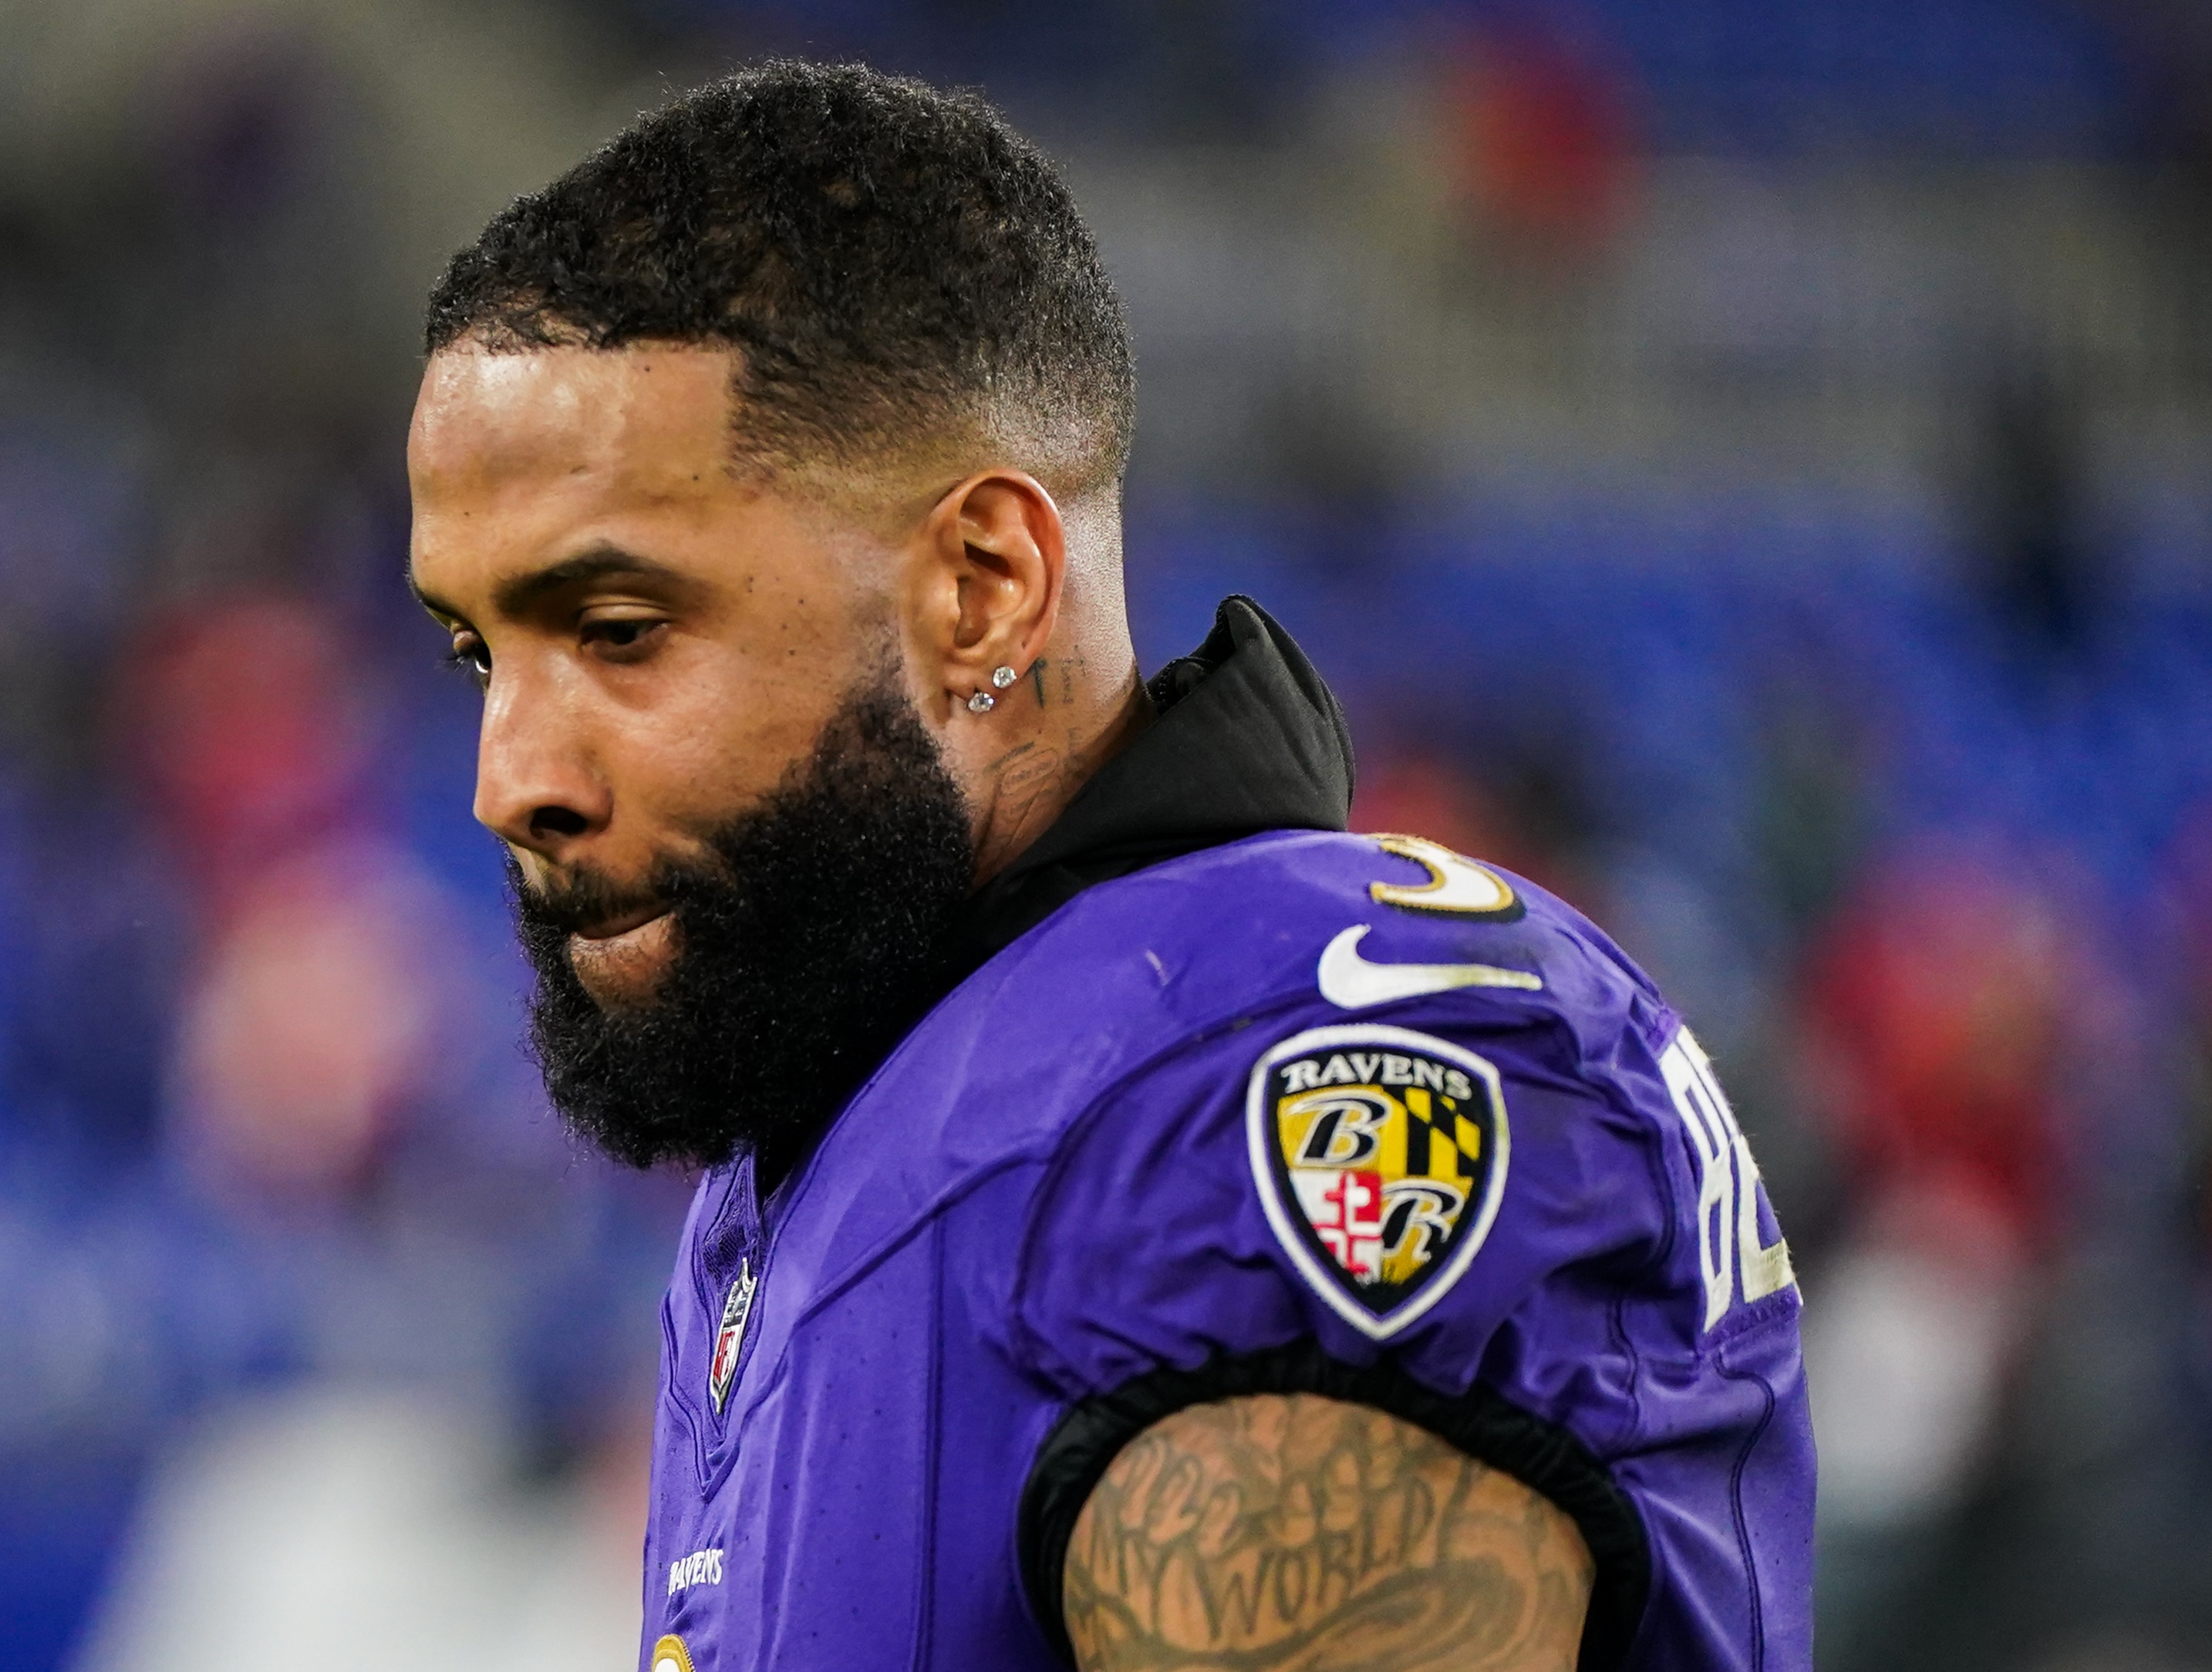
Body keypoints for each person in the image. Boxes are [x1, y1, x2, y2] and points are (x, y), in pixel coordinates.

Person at [405, 60, 1811, 1672]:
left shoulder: (1257, 1079)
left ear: (984, 590)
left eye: (620, 631)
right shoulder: (833, 1141)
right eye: (474, 653)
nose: (509, 780)